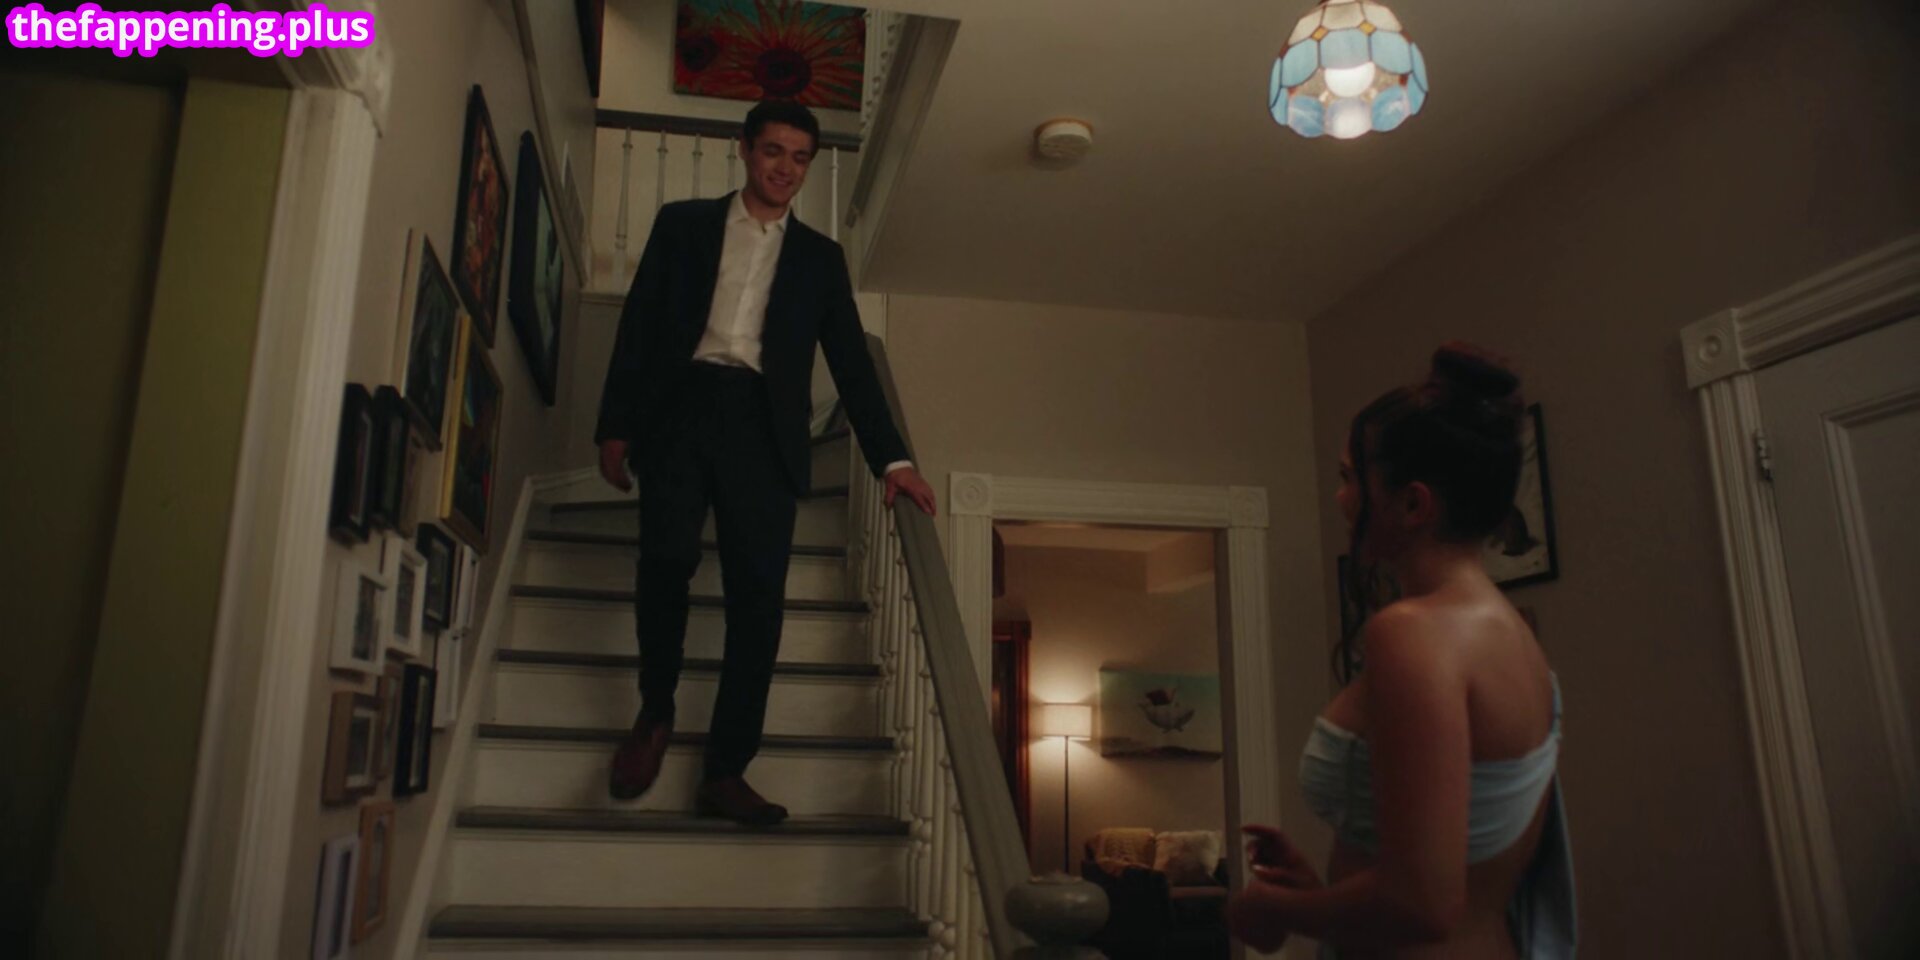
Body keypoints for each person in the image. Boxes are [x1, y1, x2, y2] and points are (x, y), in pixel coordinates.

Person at [594, 100, 937, 825]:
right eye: (774, 151)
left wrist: (893, 461)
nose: (786, 168)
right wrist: (615, 427)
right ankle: (655, 713)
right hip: (681, 410)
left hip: (763, 430)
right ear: (746, 150)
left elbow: (852, 364)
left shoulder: (820, 258)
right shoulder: (682, 225)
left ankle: (725, 770)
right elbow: (639, 325)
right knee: (665, 561)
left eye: (800, 157)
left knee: (758, 603)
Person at [1227, 344, 1574, 958]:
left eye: (1348, 479)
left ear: (1413, 503)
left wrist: (1274, 907)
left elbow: (1422, 904)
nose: (1341, 500)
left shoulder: (1414, 632)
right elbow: (1459, 875)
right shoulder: (1515, 638)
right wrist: (1318, 889)